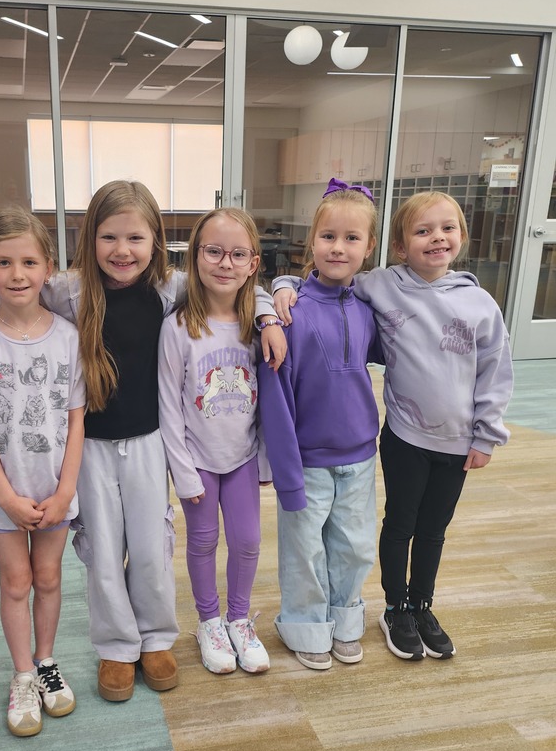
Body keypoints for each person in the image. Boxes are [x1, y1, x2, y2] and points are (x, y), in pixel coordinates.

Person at [0, 180, 286, 701]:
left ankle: (155, 637)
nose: (122, 251)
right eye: (109, 237)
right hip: (87, 447)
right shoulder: (68, 290)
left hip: (150, 442)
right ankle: (116, 647)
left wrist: (266, 310)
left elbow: (233, 284)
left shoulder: (169, 289)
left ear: (156, 241)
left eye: (135, 238)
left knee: (152, 545)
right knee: (103, 551)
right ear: (90, 239)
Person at [273, 190, 513, 661]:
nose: (436, 238)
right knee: (338, 539)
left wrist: (487, 434)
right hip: (387, 440)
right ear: (400, 246)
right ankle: (348, 618)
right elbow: (309, 286)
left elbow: (495, 370)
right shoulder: (375, 286)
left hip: (405, 445)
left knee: (374, 539)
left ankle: (398, 609)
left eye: (447, 229)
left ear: (371, 246)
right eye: (422, 230)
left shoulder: (474, 302)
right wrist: (280, 285)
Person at [0, 210, 85, 737]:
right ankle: (23, 673)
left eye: (29, 261)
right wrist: (5, 498)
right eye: (3, 263)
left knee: (49, 578)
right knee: (16, 582)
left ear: (48, 267)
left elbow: (77, 419)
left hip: (55, 489)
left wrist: (67, 489)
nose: (17, 273)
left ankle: (47, 661)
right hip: (4, 494)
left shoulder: (71, 338)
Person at [258, 179, 381, 669]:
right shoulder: (289, 313)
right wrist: (285, 472)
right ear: (312, 241)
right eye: (328, 236)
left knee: (353, 547)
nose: (339, 247)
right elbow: (277, 399)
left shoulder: (372, 307)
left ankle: (345, 618)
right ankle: (307, 625)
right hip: (307, 461)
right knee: (305, 552)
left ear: (369, 247)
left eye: (352, 238)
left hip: (360, 456)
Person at [158, 209, 271, 675]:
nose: (226, 263)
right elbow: (168, 405)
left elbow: (271, 403)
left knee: (247, 542)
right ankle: (208, 621)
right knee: (203, 542)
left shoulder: (259, 327)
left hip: (242, 457)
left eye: (237, 253)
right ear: (195, 257)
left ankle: (239, 618)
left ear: (253, 263)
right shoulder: (177, 327)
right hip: (198, 460)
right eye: (214, 251)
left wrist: (264, 464)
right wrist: (182, 473)